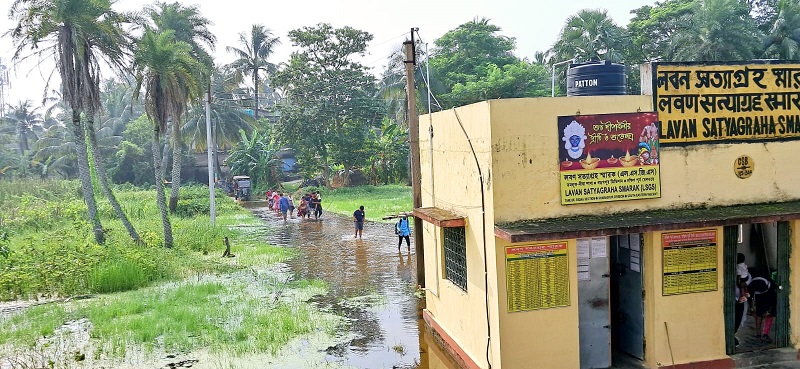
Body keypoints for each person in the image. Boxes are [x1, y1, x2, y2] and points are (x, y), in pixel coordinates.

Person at [750, 275, 778, 342]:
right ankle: (758, 334)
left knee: (770, 315)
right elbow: (750, 298)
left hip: (769, 295)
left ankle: (765, 334)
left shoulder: (772, 287)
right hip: (759, 298)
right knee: (758, 314)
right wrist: (751, 308)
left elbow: (774, 300)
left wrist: (769, 310)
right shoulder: (752, 286)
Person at [734, 253, 751, 346]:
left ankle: (733, 334)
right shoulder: (742, 271)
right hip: (737, 300)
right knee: (737, 318)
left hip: (739, 300)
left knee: (738, 317)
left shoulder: (743, 271)